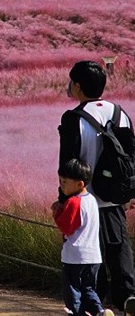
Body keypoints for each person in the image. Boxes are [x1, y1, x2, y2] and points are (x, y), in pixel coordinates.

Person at [59, 60, 135, 314]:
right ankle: (127, 297)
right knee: (118, 249)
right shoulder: (119, 113)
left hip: (83, 201)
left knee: (89, 257)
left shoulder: (72, 119)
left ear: (78, 86)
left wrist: (62, 201)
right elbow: (131, 158)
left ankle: (96, 306)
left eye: (71, 82)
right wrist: (129, 192)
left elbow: (67, 166)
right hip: (114, 199)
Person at [52, 158, 111, 316]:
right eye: (60, 181)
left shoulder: (73, 202)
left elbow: (66, 227)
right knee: (89, 289)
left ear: (80, 184)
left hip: (74, 257)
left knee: (73, 293)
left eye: (64, 182)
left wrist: (57, 211)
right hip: (93, 256)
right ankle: (100, 311)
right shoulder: (91, 200)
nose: (61, 185)